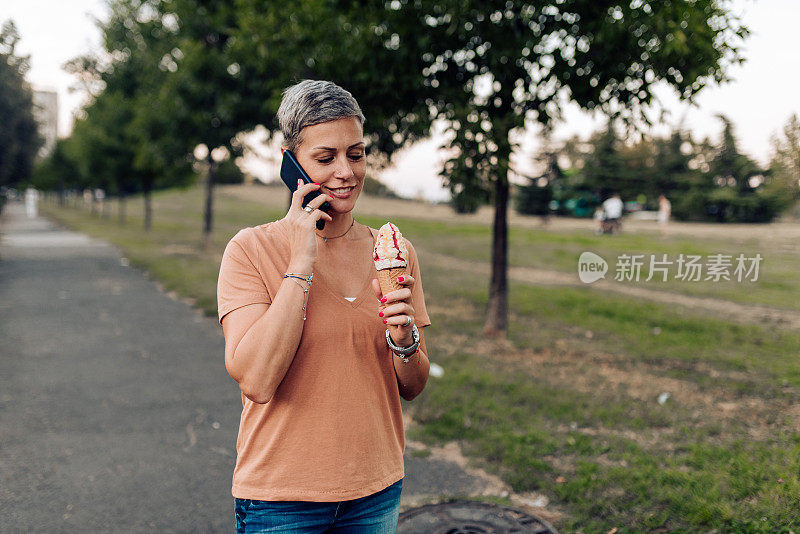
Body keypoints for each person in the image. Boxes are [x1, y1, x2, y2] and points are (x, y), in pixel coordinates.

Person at [216, 80, 431, 533]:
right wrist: (302, 260)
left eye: (355, 154)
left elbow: (412, 385)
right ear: (291, 163)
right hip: (281, 501)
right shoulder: (250, 251)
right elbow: (256, 380)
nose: (346, 172)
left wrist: (403, 340)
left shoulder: (393, 252)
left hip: (375, 492)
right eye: (325, 157)